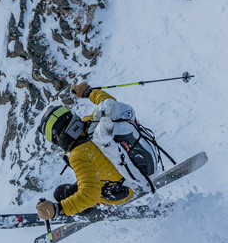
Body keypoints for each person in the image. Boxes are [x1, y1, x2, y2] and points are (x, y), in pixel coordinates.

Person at [35, 82, 155, 220]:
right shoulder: (91, 122)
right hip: (138, 164)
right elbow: (108, 103)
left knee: (61, 193)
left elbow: (89, 195)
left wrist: (58, 209)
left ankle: (95, 214)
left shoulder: (78, 155)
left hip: (122, 191)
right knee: (83, 181)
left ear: (57, 138)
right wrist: (88, 92)